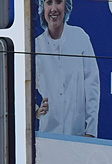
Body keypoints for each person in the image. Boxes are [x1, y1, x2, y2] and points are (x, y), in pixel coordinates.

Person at [34, 0, 100, 138]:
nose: (53, 8)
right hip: (48, 133)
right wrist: (35, 110)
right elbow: (23, 86)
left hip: (78, 133)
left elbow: (92, 85)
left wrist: (91, 131)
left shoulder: (80, 37)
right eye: (48, 3)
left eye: (58, 2)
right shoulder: (36, 46)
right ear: (42, 8)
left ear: (66, 7)